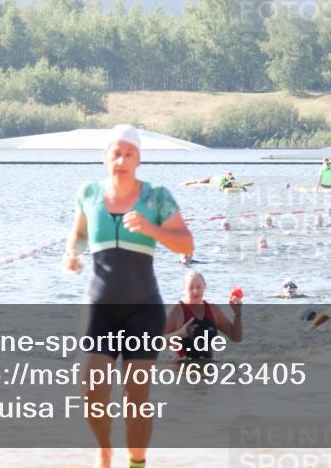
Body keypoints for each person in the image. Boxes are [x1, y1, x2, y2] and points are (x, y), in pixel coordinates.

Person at [62, 124, 194, 468]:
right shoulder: (88, 193)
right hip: (99, 308)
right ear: (106, 157)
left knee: (136, 399)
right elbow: (78, 234)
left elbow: (186, 243)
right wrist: (71, 254)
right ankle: (105, 449)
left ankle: (137, 462)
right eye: (115, 153)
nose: (121, 159)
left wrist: (151, 228)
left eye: (128, 153)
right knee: (92, 393)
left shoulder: (157, 196)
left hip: (143, 309)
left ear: (139, 159)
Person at [164, 270, 242, 361]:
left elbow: (236, 337)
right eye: (191, 288)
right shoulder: (177, 310)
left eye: (199, 287)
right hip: (182, 371)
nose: (195, 291)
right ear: (184, 288)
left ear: (205, 286)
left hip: (207, 369)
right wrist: (180, 333)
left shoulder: (212, 309)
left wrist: (237, 314)